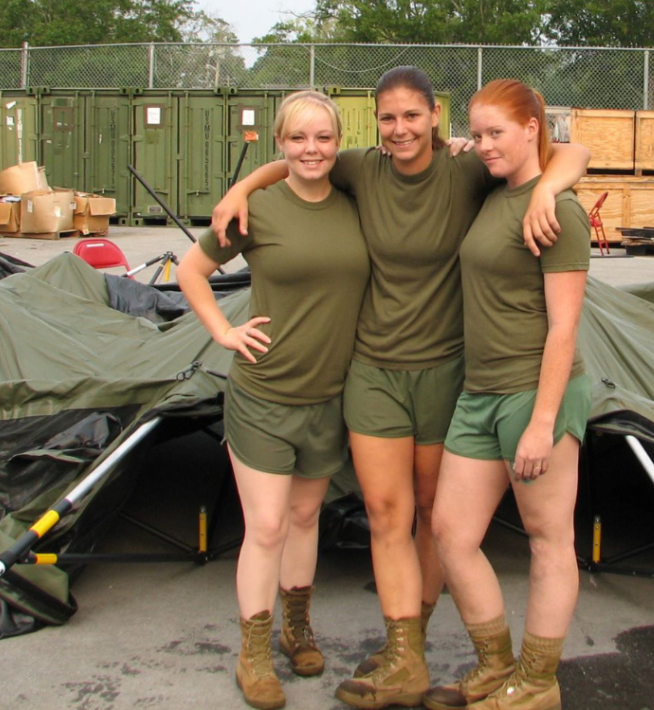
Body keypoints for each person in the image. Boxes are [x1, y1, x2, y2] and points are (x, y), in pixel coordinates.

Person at [211, 67, 589, 710]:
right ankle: (406, 654)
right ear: (375, 124)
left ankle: (510, 671)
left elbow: (568, 149)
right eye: (388, 118)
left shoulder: (472, 169)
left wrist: (551, 185)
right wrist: (241, 186)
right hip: (374, 371)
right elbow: (300, 162)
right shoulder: (362, 168)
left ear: (436, 117)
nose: (401, 129)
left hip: (451, 372)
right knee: (393, 516)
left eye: (413, 116)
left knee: (436, 516)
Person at [177, 91, 370, 710]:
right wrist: (223, 331)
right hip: (264, 394)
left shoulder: (356, 203)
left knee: (305, 519)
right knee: (264, 526)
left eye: (323, 138)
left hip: (329, 397)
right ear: (279, 142)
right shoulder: (257, 209)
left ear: (338, 143)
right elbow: (189, 272)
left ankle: (296, 626)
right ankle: (253, 651)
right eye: (298, 138)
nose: (311, 150)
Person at [425, 79, 590, 710]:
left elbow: (564, 328)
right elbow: (566, 156)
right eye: (480, 131)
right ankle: (496, 665)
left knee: (548, 538)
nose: (487, 143)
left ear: (532, 128)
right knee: (451, 532)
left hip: (533, 395)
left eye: (499, 132)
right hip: (479, 392)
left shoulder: (559, 212)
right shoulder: (497, 190)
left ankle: (537, 682)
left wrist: (542, 422)